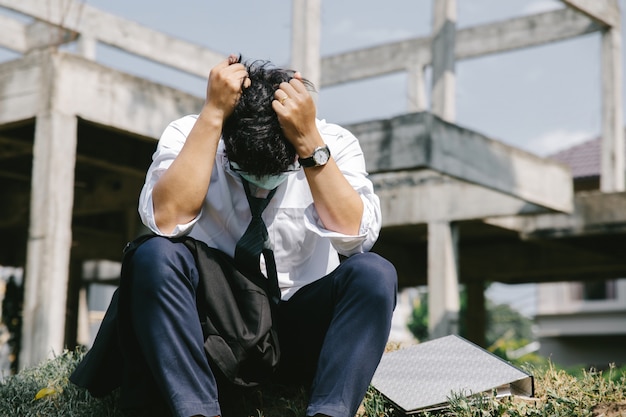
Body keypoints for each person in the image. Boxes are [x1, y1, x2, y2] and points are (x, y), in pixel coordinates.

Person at [122, 54, 397, 417]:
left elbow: (357, 236)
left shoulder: (332, 142)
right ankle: (196, 410)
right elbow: (165, 220)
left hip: (300, 326)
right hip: (217, 332)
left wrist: (309, 144)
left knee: (374, 273)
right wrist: (213, 116)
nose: (262, 185)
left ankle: (329, 411)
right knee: (153, 255)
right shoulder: (193, 133)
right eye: (243, 172)